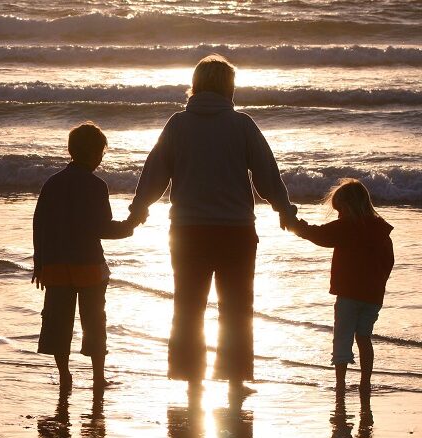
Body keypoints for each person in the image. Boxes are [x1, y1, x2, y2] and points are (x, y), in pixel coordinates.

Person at [126, 54, 297, 396]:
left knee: (188, 305)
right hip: (235, 231)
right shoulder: (242, 125)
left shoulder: (177, 124)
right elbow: (266, 174)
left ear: (197, 85)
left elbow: (155, 172)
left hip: (188, 232)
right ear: (228, 88)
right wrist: (284, 209)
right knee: (236, 307)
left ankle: (192, 379)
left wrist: (138, 209)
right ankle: (235, 381)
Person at [32, 122, 136, 390]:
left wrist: (39, 263)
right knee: (94, 322)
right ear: (93, 154)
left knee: (57, 322)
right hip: (88, 264)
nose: (102, 158)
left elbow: (39, 224)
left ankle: (65, 375)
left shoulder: (52, 183)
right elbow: (103, 229)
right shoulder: (96, 186)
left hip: (54, 264)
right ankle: (98, 377)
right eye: (101, 152)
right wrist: (131, 225)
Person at [288, 179, 394, 395]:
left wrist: (294, 225)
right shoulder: (380, 229)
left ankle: (340, 383)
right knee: (364, 337)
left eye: (340, 210)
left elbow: (318, 234)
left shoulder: (347, 226)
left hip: (348, 293)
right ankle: (366, 381)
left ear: (349, 207)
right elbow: (388, 261)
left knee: (343, 338)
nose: (338, 215)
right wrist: (379, 283)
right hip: (373, 296)